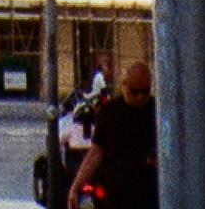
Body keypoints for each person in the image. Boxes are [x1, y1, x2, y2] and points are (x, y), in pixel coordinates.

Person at [67, 62, 157, 209]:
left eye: (145, 91)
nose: (140, 97)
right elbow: (96, 152)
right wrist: (76, 186)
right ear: (124, 86)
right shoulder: (109, 112)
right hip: (117, 195)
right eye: (135, 92)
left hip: (150, 194)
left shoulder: (157, 111)